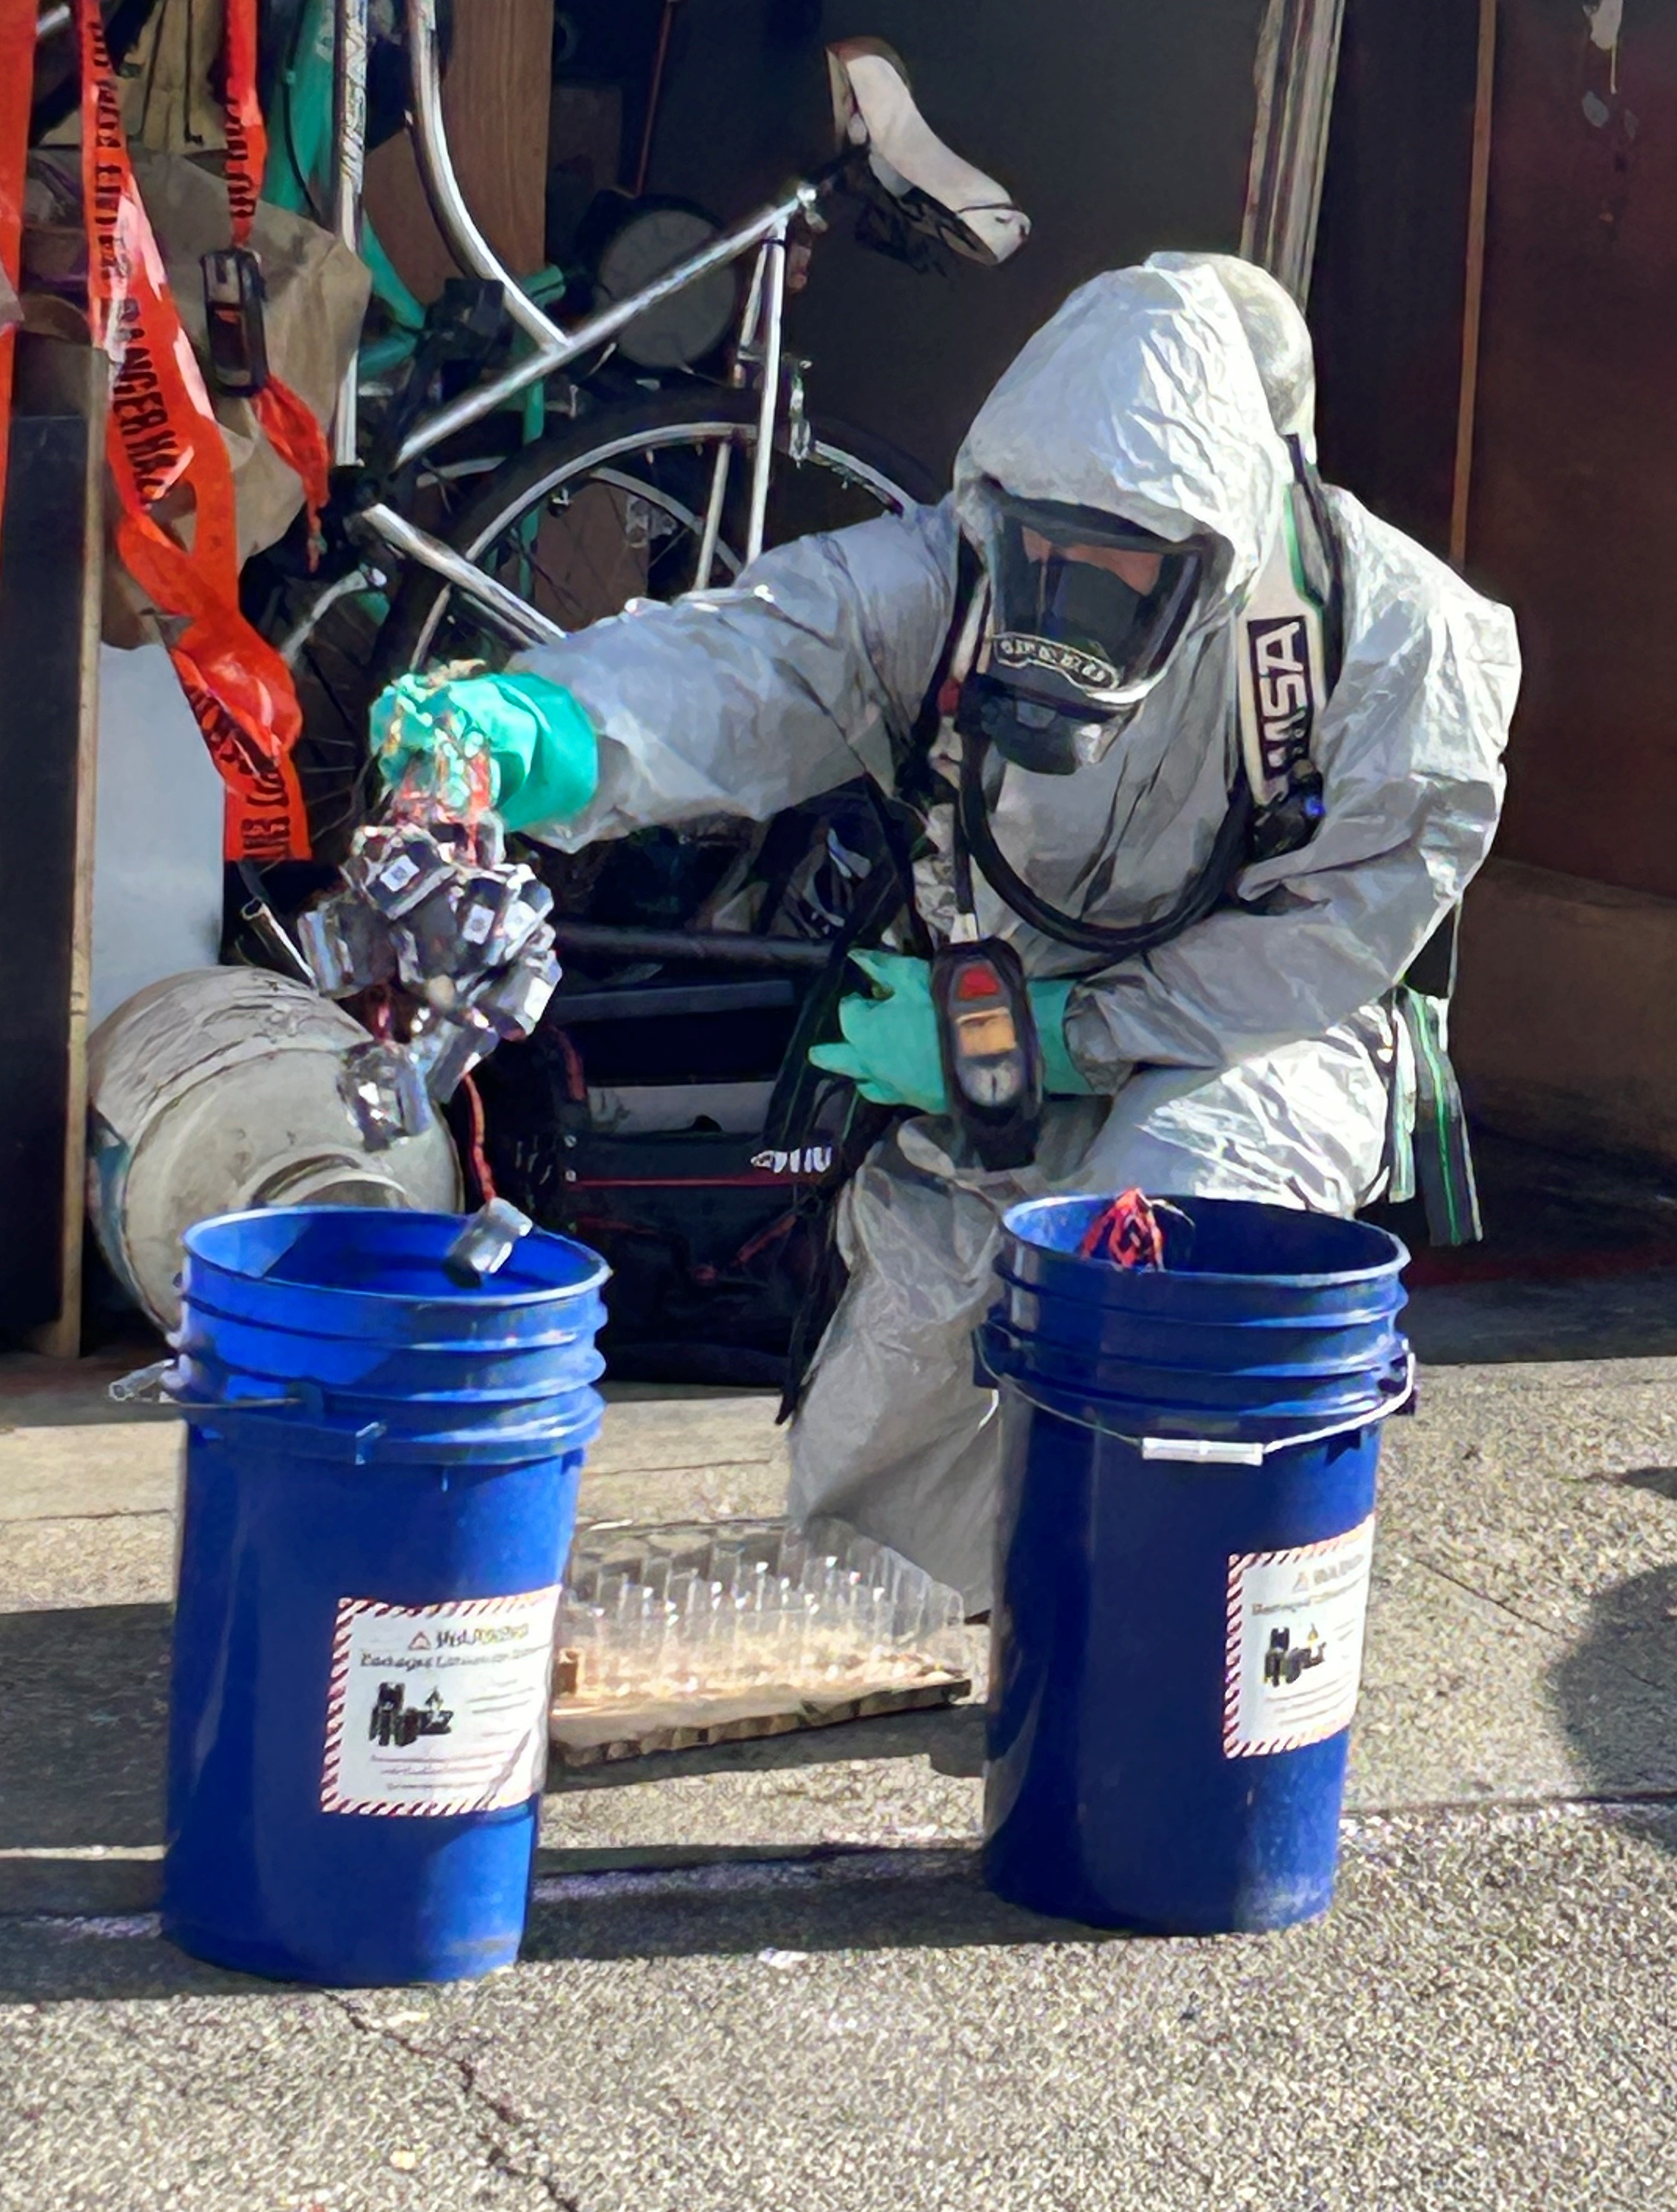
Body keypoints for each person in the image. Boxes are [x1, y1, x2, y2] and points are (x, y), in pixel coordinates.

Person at [371, 252, 1521, 1610]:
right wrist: (543, 729)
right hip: (1001, 1021)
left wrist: (1075, 1035)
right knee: (912, 1337)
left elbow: (1336, 937)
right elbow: (760, 657)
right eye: (1049, 549)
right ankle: (905, 1617)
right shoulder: (955, 570)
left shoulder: (1405, 644)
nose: (1067, 593)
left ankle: (1142, 1620)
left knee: (1145, 1243)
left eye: (1120, 566)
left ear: (1219, 549)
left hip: (1259, 1043)